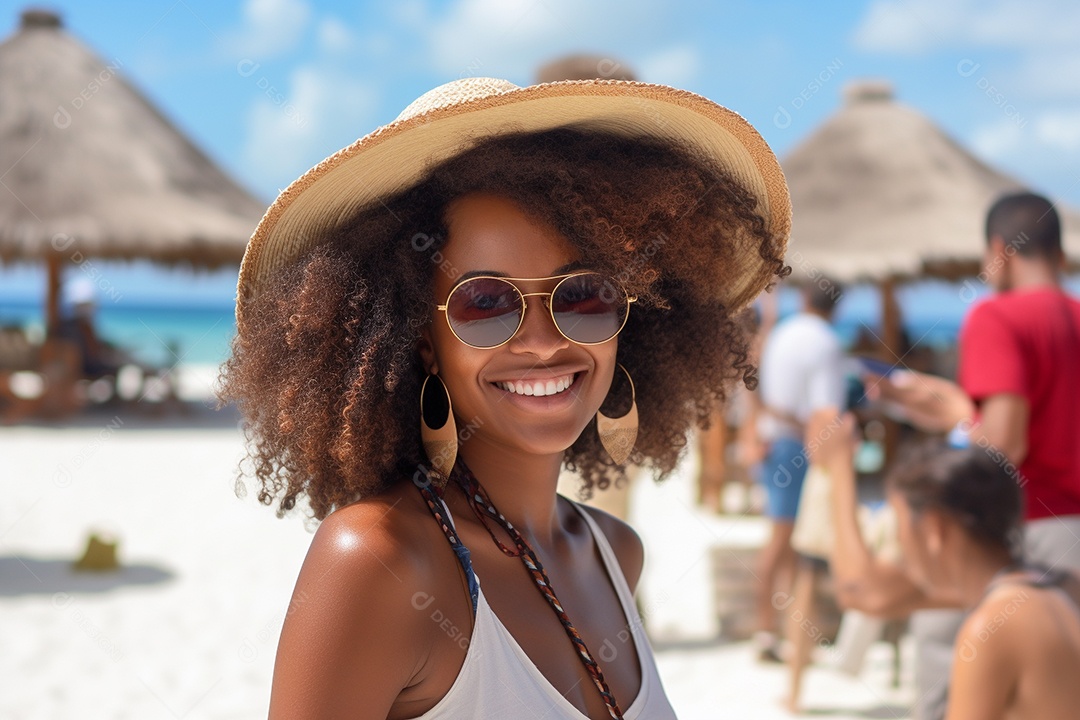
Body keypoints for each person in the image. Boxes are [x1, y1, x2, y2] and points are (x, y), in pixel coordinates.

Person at [221, 77, 790, 719]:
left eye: (583, 295)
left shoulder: (615, 555)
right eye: (486, 304)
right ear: (423, 339)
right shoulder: (379, 564)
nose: (545, 343)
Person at [864, 191, 1080, 720]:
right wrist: (957, 413)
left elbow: (1005, 444)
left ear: (1000, 249)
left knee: (945, 658)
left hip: (1018, 530)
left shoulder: (997, 317)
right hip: (1073, 530)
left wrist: (960, 423)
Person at [814, 412, 1080, 720]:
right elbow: (865, 592)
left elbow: (862, 592)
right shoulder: (1059, 588)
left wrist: (837, 466)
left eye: (899, 530)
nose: (900, 548)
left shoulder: (990, 629)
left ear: (934, 530)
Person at [748, 277, 845, 661]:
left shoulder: (783, 333)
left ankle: (780, 632)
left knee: (784, 540)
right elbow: (827, 412)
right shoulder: (826, 341)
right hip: (798, 445)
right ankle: (770, 631)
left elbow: (756, 385)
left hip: (777, 440)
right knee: (788, 540)